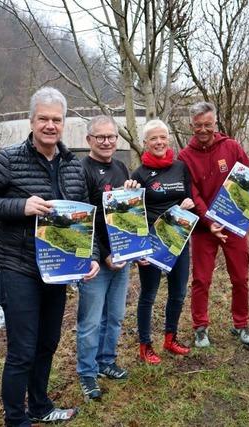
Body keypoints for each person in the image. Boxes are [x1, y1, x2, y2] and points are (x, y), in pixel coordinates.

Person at [0, 87, 99, 426]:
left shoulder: (72, 165)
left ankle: (40, 407)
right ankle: (16, 419)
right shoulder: (7, 159)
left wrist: (91, 256)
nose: (50, 125)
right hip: (18, 269)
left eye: (56, 119)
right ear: (31, 120)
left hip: (57, 270)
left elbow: (87, 216)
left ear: (64, 123)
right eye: (44, 118)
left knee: (47, 344)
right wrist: (20, 206)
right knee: (22, 352)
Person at [178, 101, 249, 348]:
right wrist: (209, 221)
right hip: (204, 229)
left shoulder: (231, 147)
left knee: (240, 278)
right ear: (191, 125)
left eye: (208, 125)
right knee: (201, 279)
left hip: (233, 225)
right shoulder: (184, 156)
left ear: (215, 123)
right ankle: (200, 327)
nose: (203, 130)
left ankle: (241, 324)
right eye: (198, 125)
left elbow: (248, 179)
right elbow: (192, 192)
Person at [76, 115, 138, 401]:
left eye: (111, 136)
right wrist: (103, 255)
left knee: (114, 316)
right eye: (100, 137)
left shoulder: (121, 166)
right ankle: (87, 372)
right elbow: (86, 221)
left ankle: (106, 362)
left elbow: (123, 214)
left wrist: (131, 196)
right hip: (96, 262)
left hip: (120, 257)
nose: (106, 141)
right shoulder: (81, 171)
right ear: (88, 139)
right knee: (90, 321)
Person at [132, 119, 194, 364]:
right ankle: (145, 345)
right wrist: (140, 248)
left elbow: (189, 199)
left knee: (178, 293)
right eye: (153, 139)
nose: (159, 142)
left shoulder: (181, 167)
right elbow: (134, 213)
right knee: (149, 294)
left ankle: (170, 338)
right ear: (145, 143)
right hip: (152, 245)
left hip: (179, 240)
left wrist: (188, 206)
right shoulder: (139, 174)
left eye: (163, 137)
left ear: (168, 138)